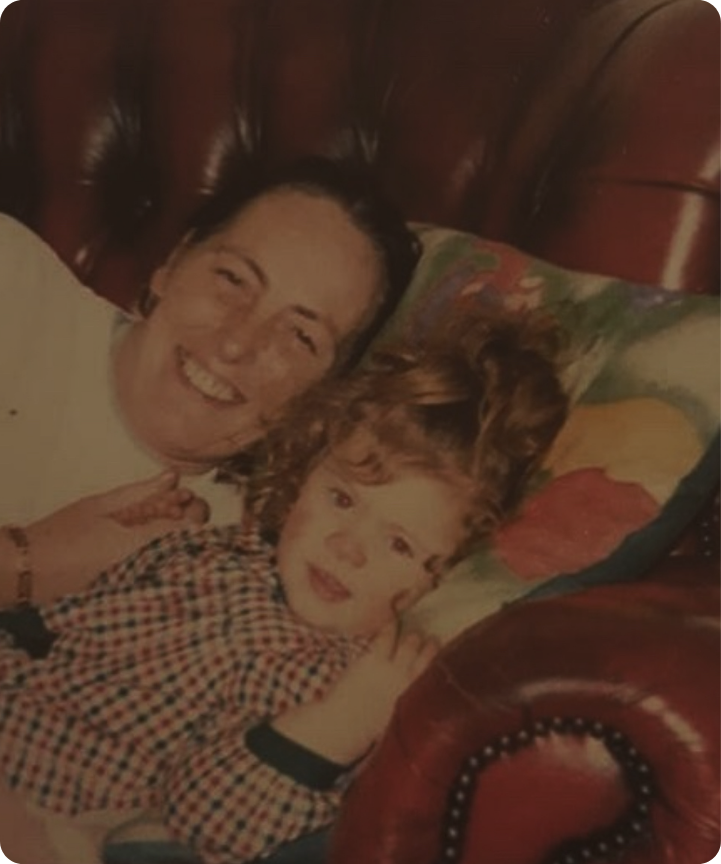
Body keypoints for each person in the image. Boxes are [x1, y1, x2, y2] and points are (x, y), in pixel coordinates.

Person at [0, 310, 568, 864]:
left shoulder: (339, 683)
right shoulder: (222, 551)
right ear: (305, 472)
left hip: (43, 808)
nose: (347, 547)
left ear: (436, 579)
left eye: (398, 544)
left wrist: (335, 727)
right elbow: (61, 627)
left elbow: (198, 825)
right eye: (342, 499)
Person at [0, 155, 420, 609]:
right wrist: (28, 565)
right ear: (173, 262)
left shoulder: (246, 573)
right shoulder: (13, 281)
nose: (237, 344)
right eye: (233, 279)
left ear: (324, 392)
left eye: (300, 336)